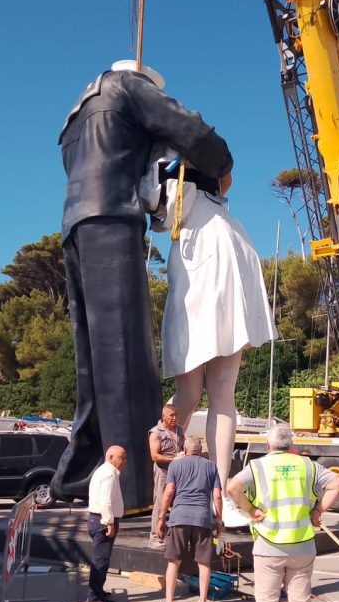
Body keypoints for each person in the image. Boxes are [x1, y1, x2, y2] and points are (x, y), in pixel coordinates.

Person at [50, 60, 233, 513]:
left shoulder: (75, 116)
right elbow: (187, 128)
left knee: (93, 363)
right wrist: (221, 163)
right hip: (112, 219)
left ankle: (83, 474)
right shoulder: (126, 87)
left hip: (76, 223)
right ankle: (131, 491)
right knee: (126, 356)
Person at [149, 153, 276, 526]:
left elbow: (156, 210)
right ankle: (220, 490)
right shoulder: (228, 218)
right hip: (227, 275)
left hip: (202, 279)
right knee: (221, 396)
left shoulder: (179, 190)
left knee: (192, 394)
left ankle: (173, 480)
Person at [227, 424, 339, 602]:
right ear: (290, 444)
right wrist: (318, 511)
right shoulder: (306, 465)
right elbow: (337, 483)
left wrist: (251, 510)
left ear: (268, 446)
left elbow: (233, 487)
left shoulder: (258, 467)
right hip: (302, 545)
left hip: (269, 545)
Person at [155, 436, 222, 602]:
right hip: (202, 519)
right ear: (200, 450)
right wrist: (219, 520)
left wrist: (161, 517)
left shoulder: (176, 466)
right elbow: (216, 495)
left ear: (184, 448)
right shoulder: (211, 466)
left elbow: (169, 492)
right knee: (204, 563)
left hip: (179, 518)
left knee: (173, 562)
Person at [86, 445, 127, 602]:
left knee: (101, 559)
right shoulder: (109, 474)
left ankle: (97, 590)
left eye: (125, 458)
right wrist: (110, 522)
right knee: (101, 560)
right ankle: (94, 595)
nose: (124, 461)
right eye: (121, 457)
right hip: (102, 521)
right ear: (110, 457)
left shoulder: (105, 471)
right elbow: (106, 501)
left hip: (98, 520)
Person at [148, 403, 185, 548]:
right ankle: (155, 537)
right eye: (172, 416)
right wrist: (174, 459)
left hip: (179, 472)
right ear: (164, 417)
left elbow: (185, 445)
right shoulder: (156, 432)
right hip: (163, 471)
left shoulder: (180, 430)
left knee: (179, 503)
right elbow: (155, 456)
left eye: (176, 415)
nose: (175, 418)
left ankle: (173, 536)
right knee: (160, 503)